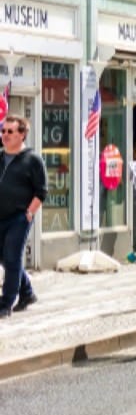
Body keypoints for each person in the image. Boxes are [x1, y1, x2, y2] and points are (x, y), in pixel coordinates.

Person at [0, 115, 47, 318]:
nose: (5, 135)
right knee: (4, 257)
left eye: (10, 132)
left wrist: (29, 212)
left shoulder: (33, 160)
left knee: (12, 258)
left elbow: (41, 191)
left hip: (20, 217)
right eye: (3, 131)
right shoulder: (0, 157)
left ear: (22, 134)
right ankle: (27, 292)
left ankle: (5, 304)